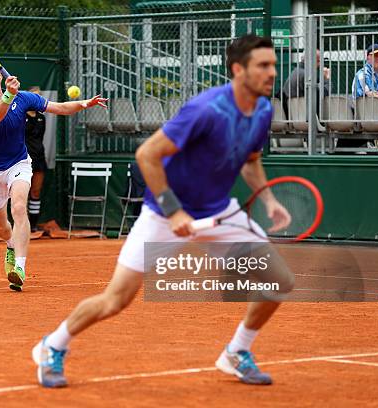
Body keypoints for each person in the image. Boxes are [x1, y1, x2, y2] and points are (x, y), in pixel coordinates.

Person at [32, 34, 295, 388]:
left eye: (273, 65)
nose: (272, 73)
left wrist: (267, 199)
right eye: (263, 65)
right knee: (115, 300)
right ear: (238, 69)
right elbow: (147, 155)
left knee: (278, 280)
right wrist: (174, 213)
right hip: (162, 214)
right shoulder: (206, 110)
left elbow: (249, 161)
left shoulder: (263, 110)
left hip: (220, 211)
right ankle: (53, 344)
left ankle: (236, 351)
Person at [0, 61, 107, 291]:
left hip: (19, 163)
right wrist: (8, 97)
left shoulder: (24, 98)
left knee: (19, 207)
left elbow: (60, 108)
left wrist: (84, 103)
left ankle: (20, 268)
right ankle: (11, 245)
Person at [351, 43, 378, 149]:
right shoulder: (362, 75)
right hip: (370, 118)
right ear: (368, 58)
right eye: (376, 55)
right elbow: (375, 100)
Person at [281, 50, 331, 118]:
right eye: (319, 61)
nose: (319, 64)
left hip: (295, 119)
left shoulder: (295, 72)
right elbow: (322, 94)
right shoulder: (308, 76)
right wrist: (327, 79)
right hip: (309, 120)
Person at [24, 86, 48, 232]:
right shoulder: (20, 116)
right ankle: (21, 225)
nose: (37, 99)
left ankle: (33, 225)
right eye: (34, 96)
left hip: (39, 158)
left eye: (39, 96)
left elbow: (40, 139)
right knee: (21, 195)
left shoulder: (41, 118)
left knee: (36, 192)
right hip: (23, 160)